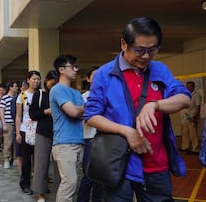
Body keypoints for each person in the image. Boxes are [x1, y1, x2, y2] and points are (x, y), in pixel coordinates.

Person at [84, 17, 191, 202]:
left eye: (153, 50)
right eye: (140, 50)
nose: (147, 56)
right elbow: (91, 115)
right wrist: (127, 132)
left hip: (156, 163)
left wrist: (155, 104)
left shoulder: (160, 70)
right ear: (124, 44)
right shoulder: (104, 74)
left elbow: (184, 99)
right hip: (119, 164)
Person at [50, 55, 84, 202]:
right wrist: (87, 107)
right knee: (69, 183)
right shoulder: (57, 90)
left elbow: (82, 114)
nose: (76, 70)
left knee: (72, 183)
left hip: (78, 141)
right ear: (62, 70)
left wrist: (81, 109)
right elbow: (74, 112)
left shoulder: (76, 93)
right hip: (64, 143)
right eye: (73, 67)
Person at [30, 70, 58, 202]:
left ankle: (60, 193)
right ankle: (41, 194)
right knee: (41, 164)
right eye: (52, 83)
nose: (53, 86)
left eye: (56, 83)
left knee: (60, 166)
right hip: (43, 132)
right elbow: (33, 114)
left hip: (59, 133)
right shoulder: (40, 94)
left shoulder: (61, 93)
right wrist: (47, 111)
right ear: (46, 81)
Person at [77, 66, 102, 202]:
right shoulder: (84, 97)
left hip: (104, 139)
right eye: (94, 75)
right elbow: (85, 118)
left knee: (99, 176)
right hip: (89, 138)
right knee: (88, 174)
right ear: (88, 79)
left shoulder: (106, 95)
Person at [16, 71, 41, 195]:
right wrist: (17, 133)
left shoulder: (42, 94)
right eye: (34, 79)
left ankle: (39, 184)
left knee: (39, 159)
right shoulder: (22, 96)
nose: (36, 81)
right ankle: (25, 184)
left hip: (39, 130)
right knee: (26, 159)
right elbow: (18, 116)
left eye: (38, 79)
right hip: (25, 130)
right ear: (28, 80)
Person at [0, 81, 19, 169]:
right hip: (8, 123)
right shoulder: (5, 98)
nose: (16, 88)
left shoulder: (17, 97)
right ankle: (6, 159)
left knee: (16, 142)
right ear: (10, 88)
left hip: (17, 123)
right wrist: (4, 124)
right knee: (8, 142)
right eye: (15, 86)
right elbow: (1, 112)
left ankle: (14, 158)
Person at [180, 81, 202, 153]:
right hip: (186, 116)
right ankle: (185, 147)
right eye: (187, 86)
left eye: (190, 86)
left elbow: (198, 107)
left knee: (193, 133)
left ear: (193, 86)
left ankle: (195, 149)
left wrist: (195, 116)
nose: (188, 87)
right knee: (185, 132)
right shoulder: (186, 95)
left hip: (192, 116)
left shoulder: (197, 95)